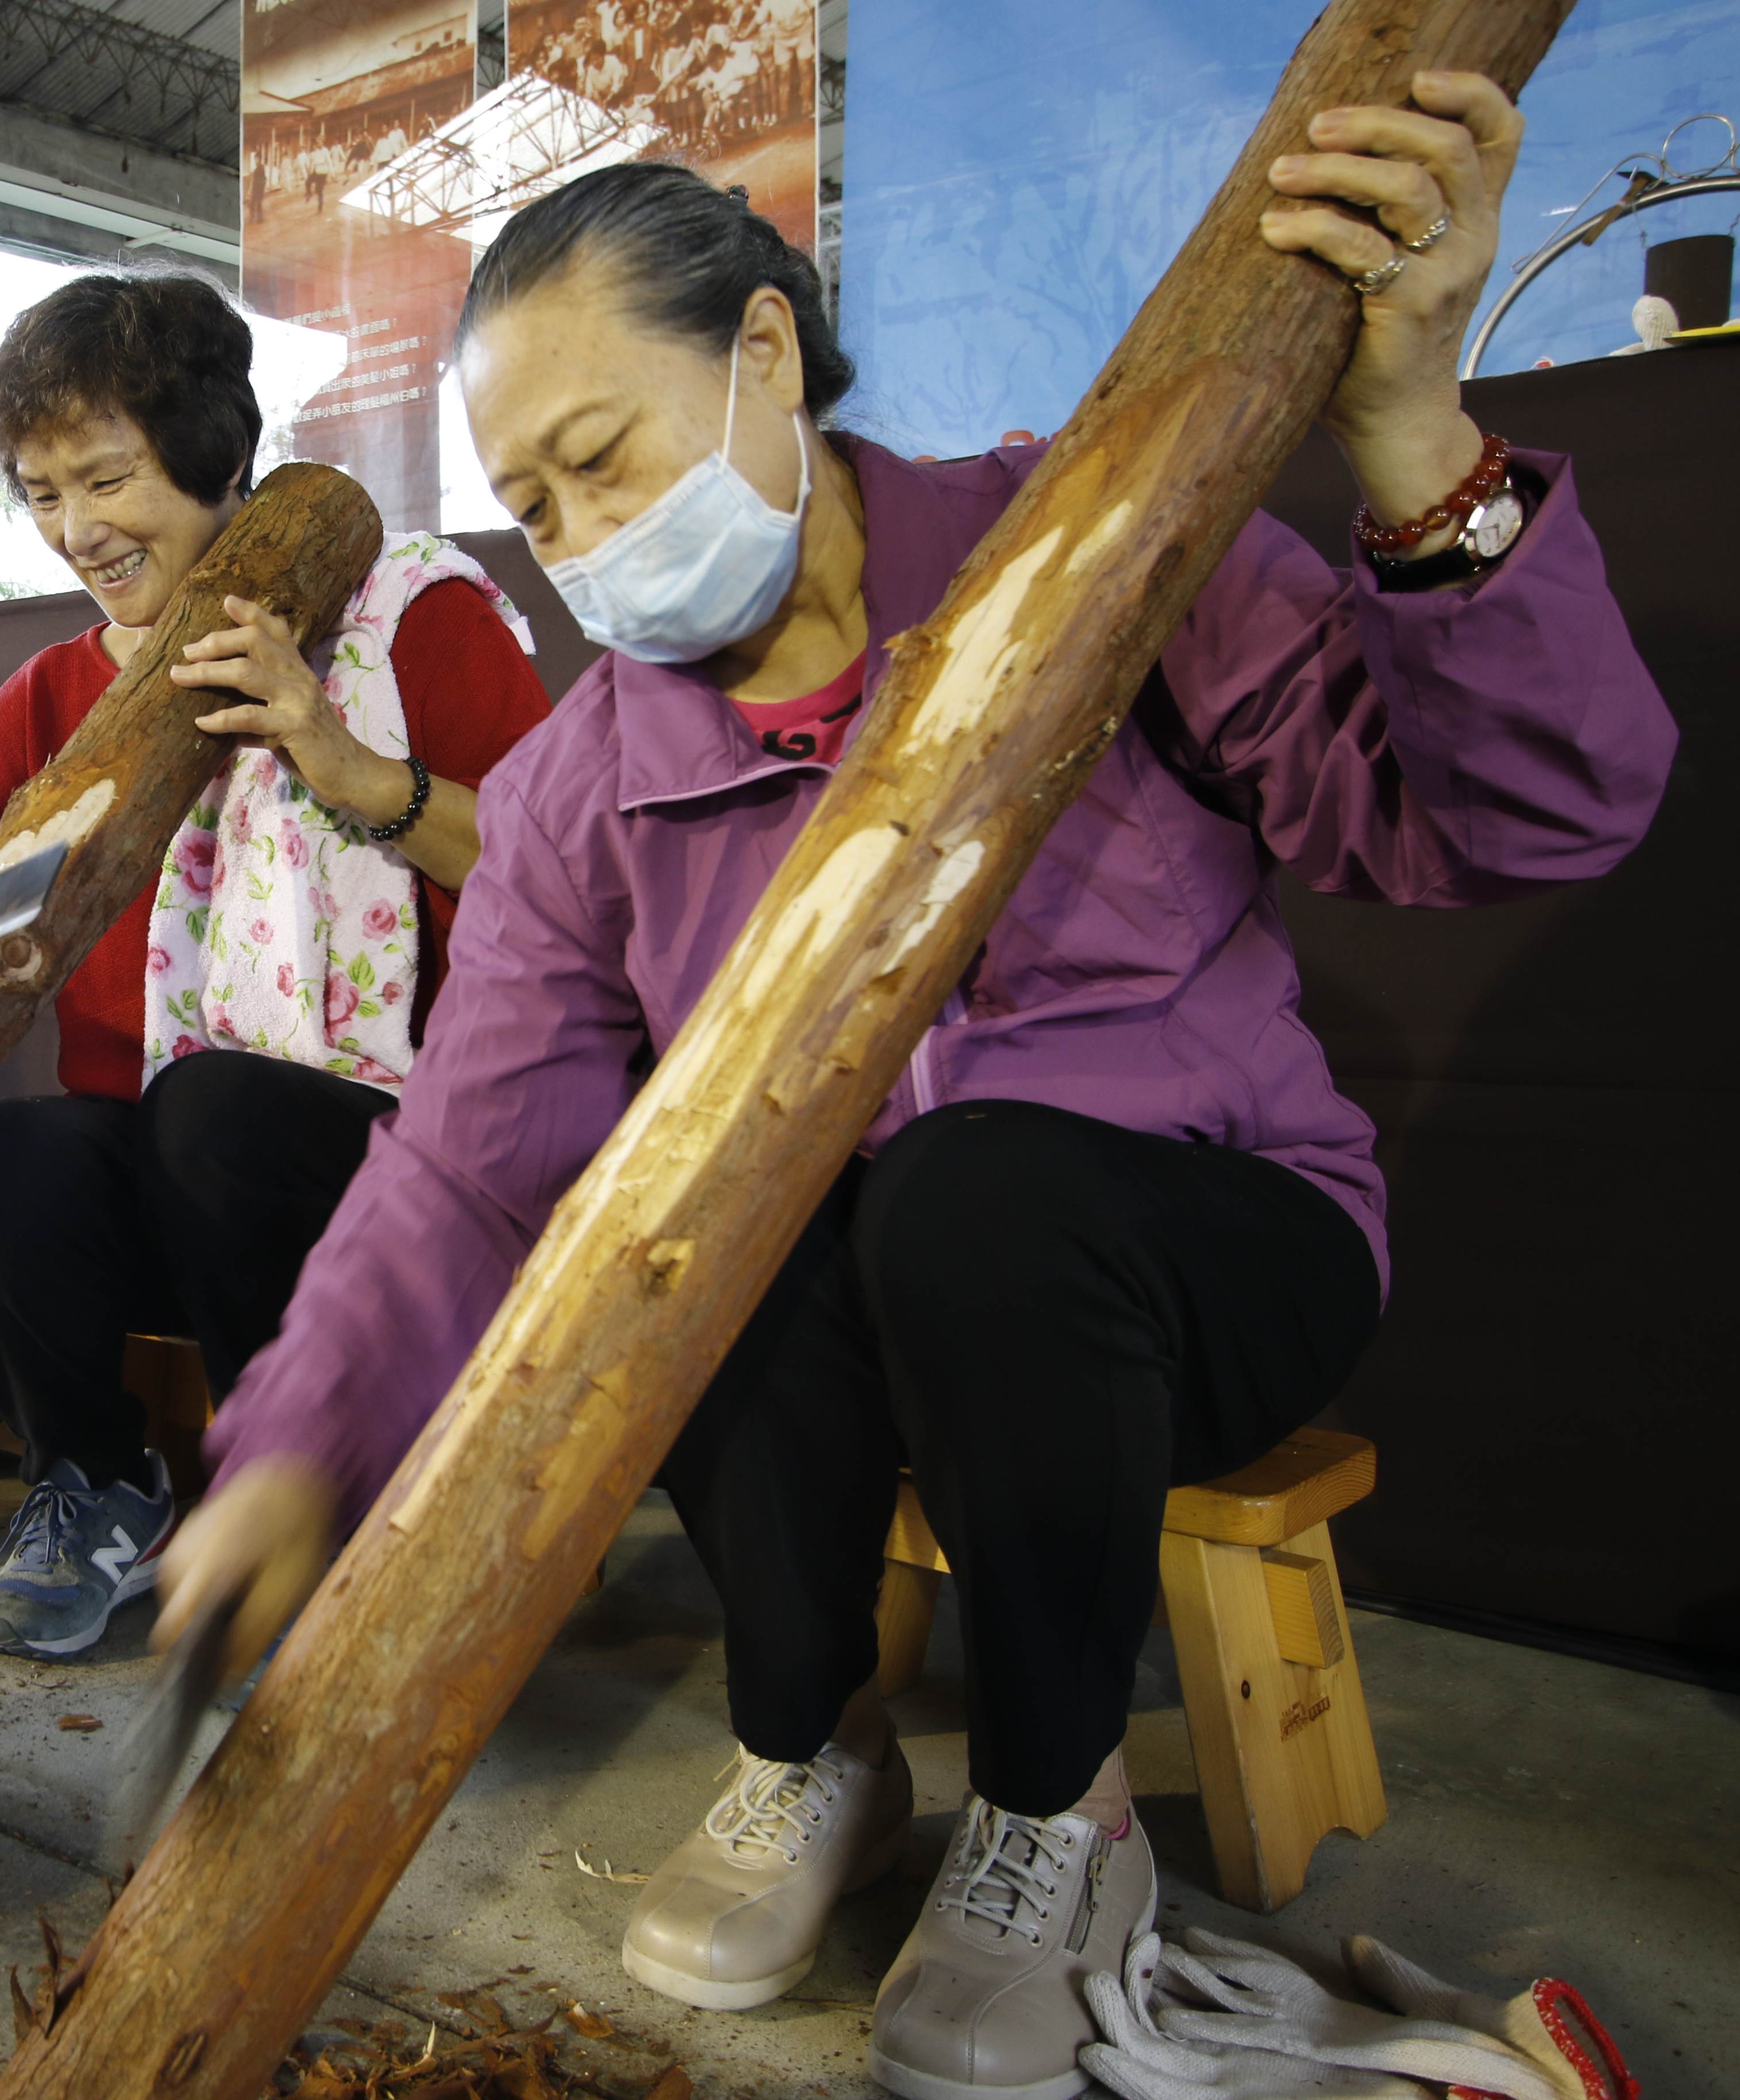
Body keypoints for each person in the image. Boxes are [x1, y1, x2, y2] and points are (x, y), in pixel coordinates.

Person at [156, 78, 1671, 2100]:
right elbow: (466, 1161)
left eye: (606, 457)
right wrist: (299, 1441)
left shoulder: (1102, 540)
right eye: (541, 512)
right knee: (681, 1206)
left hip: (1193, 1238)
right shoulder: (577, 788)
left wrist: (1412, 440)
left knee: (972, 1189)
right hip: (877, 1291)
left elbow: (1519, 818)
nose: (591, 544)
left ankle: (1059, 1815)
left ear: (764, 347)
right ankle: (808, 1745)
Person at [0, 273, 551, 1658]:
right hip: (166, 1149)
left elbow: (558, 878)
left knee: (218, 1111)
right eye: (43, 491)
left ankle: (323, 1493)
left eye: (108, 478)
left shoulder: (411, 621)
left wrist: (342, 763)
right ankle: (95, 1485)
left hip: (398, 1143)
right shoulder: (54, 691)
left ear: (218, 450)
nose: (78, 529)